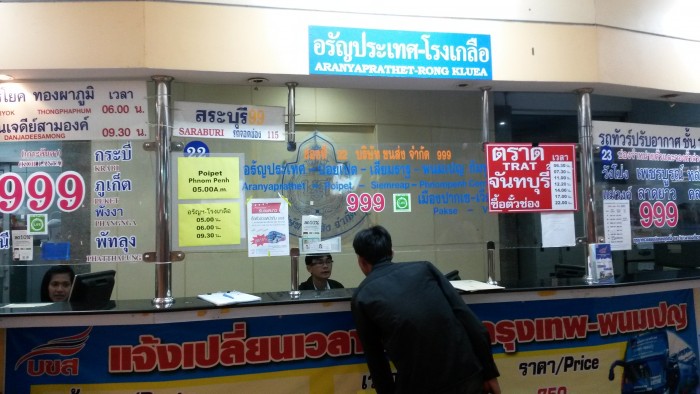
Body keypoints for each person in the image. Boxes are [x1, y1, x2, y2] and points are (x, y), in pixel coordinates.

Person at [351, 225, 501, 394]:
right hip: (467, 376)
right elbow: (470, 321)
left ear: (361, 261)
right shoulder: (425, 269)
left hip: (419, 386)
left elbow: (376, 360)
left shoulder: (362, 296)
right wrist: (490, 374)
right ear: (392, 252)